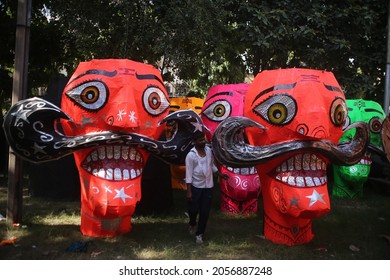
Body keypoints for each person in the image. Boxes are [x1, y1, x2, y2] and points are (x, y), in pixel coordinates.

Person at [185, 130, 222, 244]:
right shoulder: (191, 156)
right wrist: (189, 191)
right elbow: (189, 174)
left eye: (203, 139)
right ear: (194, 142)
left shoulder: (209, 151)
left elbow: (211, 165)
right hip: (196, 187)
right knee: (193, 210)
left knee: (205, 211)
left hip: (208, 186)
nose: (203, 141)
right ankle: (192, 223)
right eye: (200, 140)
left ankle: (199, 234)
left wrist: (220, 174)